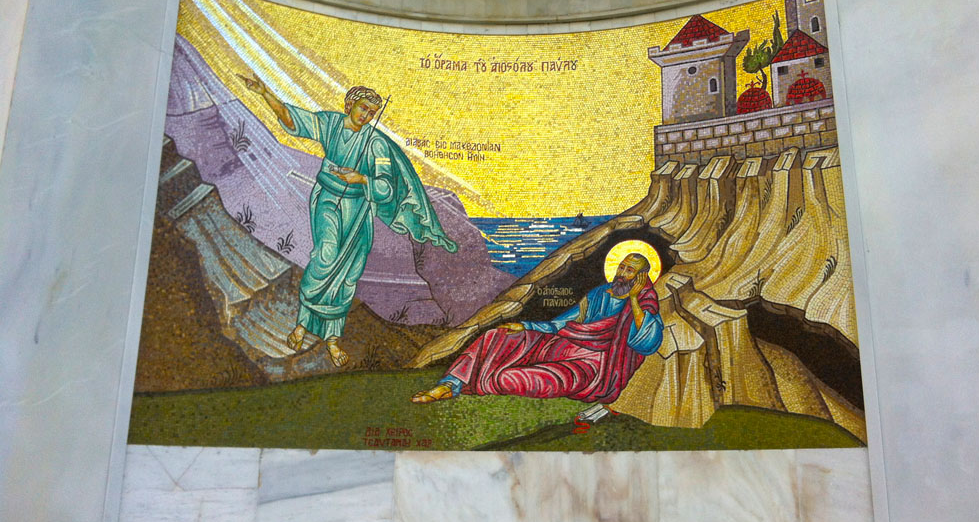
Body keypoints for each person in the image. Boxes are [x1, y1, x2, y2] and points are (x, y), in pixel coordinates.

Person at [239, 74, 457, 367]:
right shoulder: (330, 123)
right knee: (326, 255)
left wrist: (362, 179)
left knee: (348, 273)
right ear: (349, 104)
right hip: (328, 199)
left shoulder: (376, 144)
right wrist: (265, 93)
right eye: (363, 108)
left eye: (371, 112)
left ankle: (332, 339)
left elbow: (386, 187)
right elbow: (293, 120)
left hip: (359, 209)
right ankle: (302, 323)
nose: (366, 115)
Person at [411, 253, 662, 403]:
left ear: (642, 277)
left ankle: (488, 380)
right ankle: (450, 384)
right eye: (622, 267)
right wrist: (524, 325)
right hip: (559, 345)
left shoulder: (644, 304)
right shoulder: (599, 294)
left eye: (630, 270)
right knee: (498, 335)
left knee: (508, 379)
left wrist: (634, 299)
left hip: (589, 366)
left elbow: (646, 343)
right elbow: (559, 324)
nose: (622, 273)